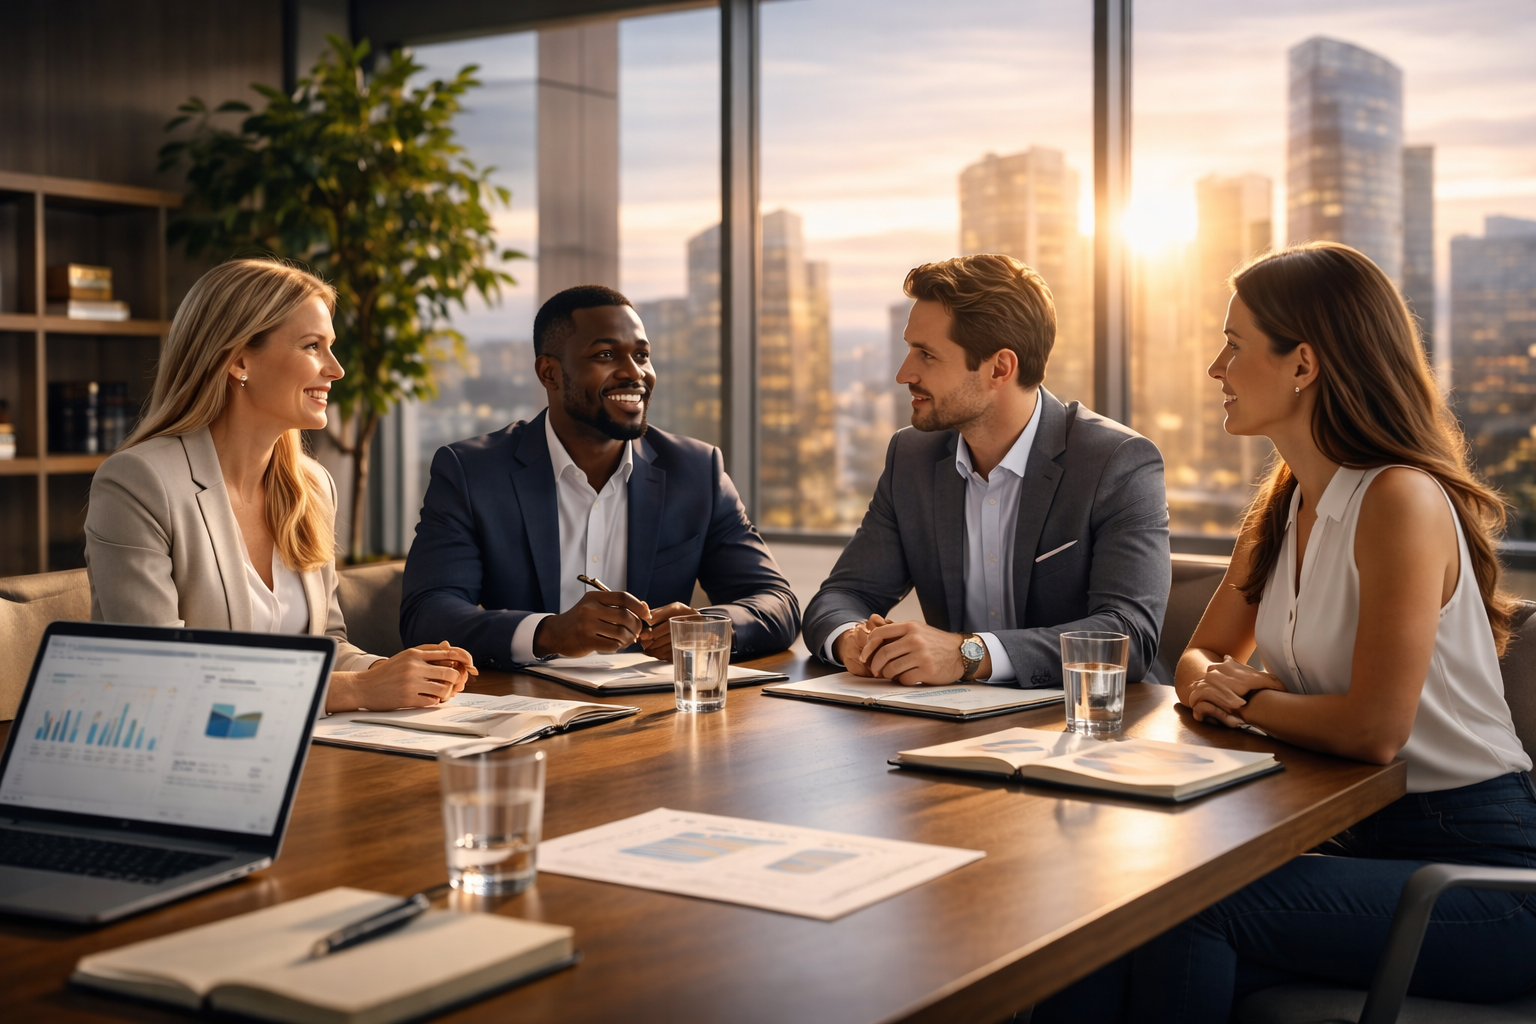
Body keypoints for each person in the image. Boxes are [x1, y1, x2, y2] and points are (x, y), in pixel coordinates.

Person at [1036, 242, 1536, 1023]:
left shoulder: (1399, 500)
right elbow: (1197, 658)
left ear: (1302, 364)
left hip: (1475, 871)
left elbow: (1373, 731)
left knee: (1191, 907)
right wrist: (1217, 683)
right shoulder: (1284, 505)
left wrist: (1246, 699)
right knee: (1108, 925)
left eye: (1234, 345)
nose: (1215, 368)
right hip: (1348, 839)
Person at [86, 258, 476, 714]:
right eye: (313, 346)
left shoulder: (312, 486)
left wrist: (392, 673)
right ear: (238, 360)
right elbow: (161, 674)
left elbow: (325, 643)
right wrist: (356, 691)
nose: (336, 369)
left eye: (331, 347)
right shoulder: (139, 483)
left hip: (306, 747)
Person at [802, 254, 1170, 688]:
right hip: (950, 726)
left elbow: (1127, 634)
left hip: (1086, 728)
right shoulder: (912, 456)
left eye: (926, 355)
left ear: (999, 368)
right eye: (908, 349)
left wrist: (967, 654)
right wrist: (853, 641)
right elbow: (842, 596)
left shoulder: (1118, 462)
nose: (904, 373)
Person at [400, 284, 799, 670]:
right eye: (606, 354)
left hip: (652, 717)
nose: (634, 374)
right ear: (550, 373)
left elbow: (776, 602)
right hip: (522, 711)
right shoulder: (472, 473)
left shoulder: (695, 471)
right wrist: (549, 633)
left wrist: (707, 627)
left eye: (642, 356)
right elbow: (428, 614)